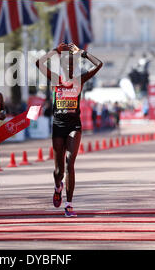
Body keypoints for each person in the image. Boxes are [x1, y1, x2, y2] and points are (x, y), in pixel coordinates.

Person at [36, 42, 103, 217]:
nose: (70, 69)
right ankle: (58, 187)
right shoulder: (55, 79)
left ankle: (69, 204)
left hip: (74, 126)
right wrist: (54, 51)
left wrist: (82, 53)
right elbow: (39, 63)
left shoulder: (80, 80)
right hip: (58, 125)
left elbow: (99, 64)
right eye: (67, 65)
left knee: (69, 163)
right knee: (58, 171)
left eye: (72, 65)